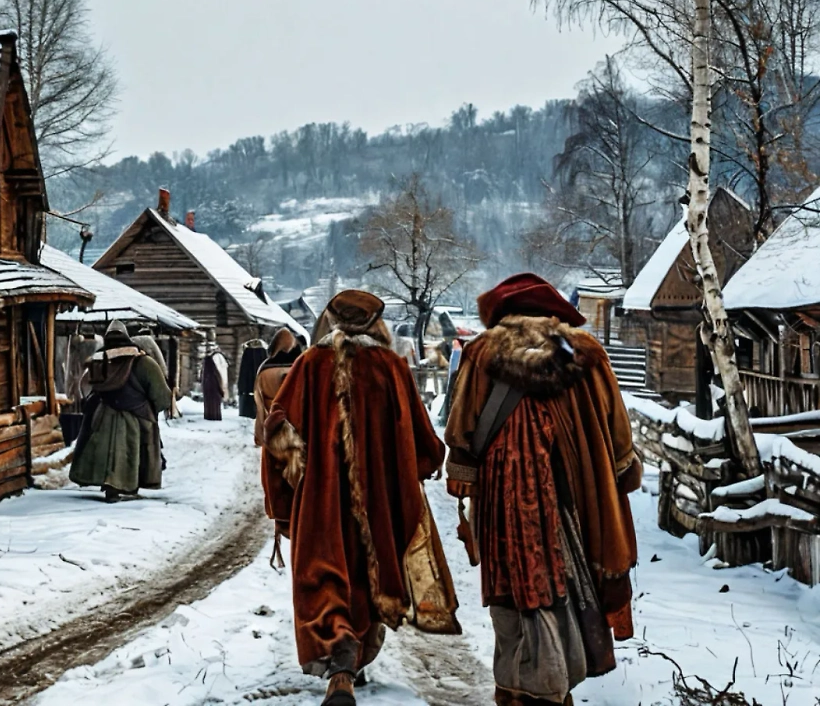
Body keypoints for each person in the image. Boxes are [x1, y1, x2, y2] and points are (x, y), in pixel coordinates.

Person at [444, 273, 641, 706]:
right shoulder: (586, 354)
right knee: (565, 583)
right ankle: (552, 685)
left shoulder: (481, 353)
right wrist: (623, 474)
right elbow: (617, 432)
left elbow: (461, 432)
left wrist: (462, 475)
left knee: (514, 587)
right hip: (574, 493)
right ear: (555, 312)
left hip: (501, 498)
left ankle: (518, 686)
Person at [262, 290, 461, 706]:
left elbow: (277, 433)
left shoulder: (308, 365)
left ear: (332, 320)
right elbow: (424, 441)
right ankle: (352, 658)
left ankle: (340, 659)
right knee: (371, 575)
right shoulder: (391, 367)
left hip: (320, 501)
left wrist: (285, 500)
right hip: (381, 501)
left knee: (325, 576)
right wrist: (413, 468)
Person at [70, 321, 173, 502]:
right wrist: (150, 410)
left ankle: (111, 486)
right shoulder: (144, 362)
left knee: (106, 450)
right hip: (136, 416)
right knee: (131, 450)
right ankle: (128, 485)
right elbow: (162, 394)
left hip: (103, 415)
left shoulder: (98, 361)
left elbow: (84, 387)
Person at [252, 327, 303, 446]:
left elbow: (259, 404)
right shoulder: (302, 367)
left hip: (271, 424)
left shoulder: (264, 369)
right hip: (297, 426)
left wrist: (259, 435)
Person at [237, 338, 269, 419]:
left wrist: (241, 388)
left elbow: (243, 372)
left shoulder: (247, 354)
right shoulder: (263, 354)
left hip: (248, 390)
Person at [201, 340, 227, 421]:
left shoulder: (216, 357)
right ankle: (212, 416)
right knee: (212, 400)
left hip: (211, 382)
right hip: (212, 382)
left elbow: (221, 370)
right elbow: (219, 372)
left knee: (213, 400)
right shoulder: (211, 358)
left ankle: (212, 415)